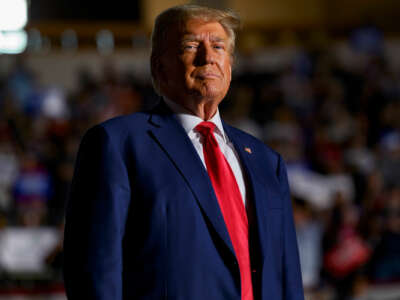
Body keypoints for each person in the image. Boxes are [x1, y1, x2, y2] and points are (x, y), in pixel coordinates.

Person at [63, 4, 304, 300]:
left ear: (229, 65)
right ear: (159, 66)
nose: (208, 57)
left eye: (218, 46)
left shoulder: (268, 162)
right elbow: (95, 271)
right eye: (191, 45)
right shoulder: (117, 144)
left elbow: (287, 277)